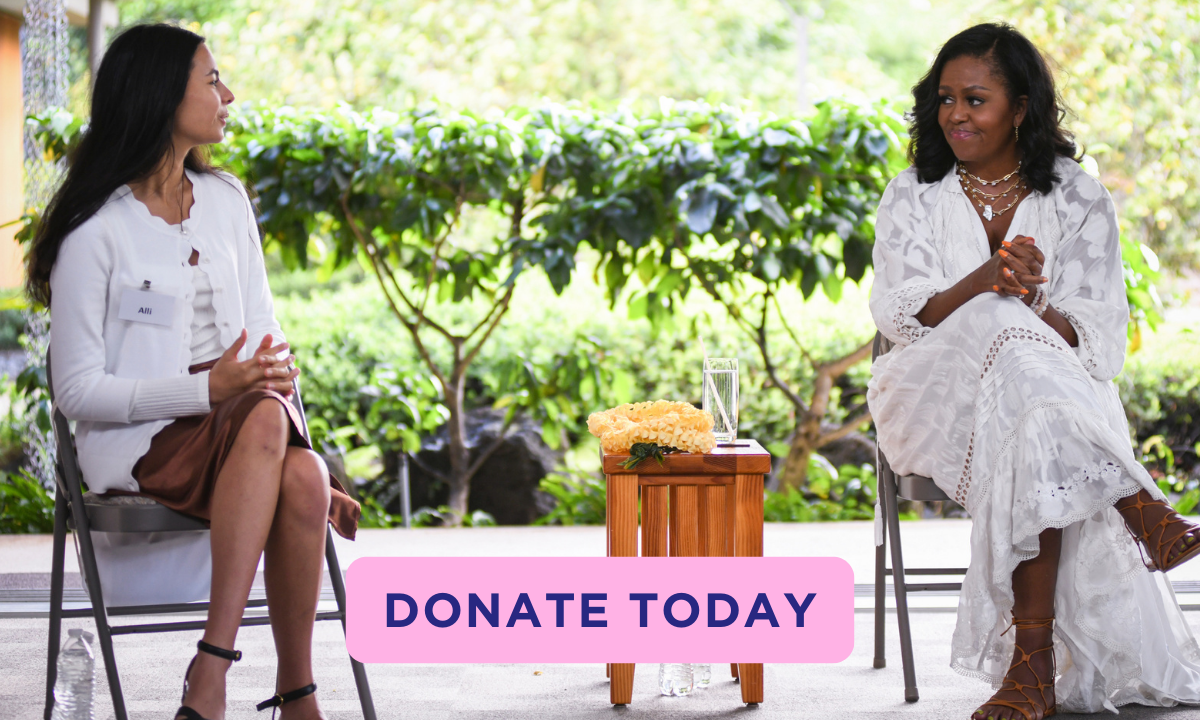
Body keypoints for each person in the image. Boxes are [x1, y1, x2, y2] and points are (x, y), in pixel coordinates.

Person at [27, 24, 360, 720]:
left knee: (300, 474)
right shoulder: (97, 233)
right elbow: (77, 391)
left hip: (246, 426)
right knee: (267, 419)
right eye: (211, 80)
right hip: (144, 440)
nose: (227, 93)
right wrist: (208, 390)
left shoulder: (228, 201)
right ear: (158, 96)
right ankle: (220, 668)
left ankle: (287, 692)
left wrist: (315, 456)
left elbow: (269, 338)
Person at [868, 22, 1200, 720]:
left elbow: (1101, 340)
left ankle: (1031, 671)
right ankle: (1140, 506)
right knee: (994, 319)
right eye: (945, 99)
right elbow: (899, 318)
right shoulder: (912, 194)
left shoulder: (1079, 197)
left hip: (1050, 400)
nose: (955, 114)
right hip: (930, 390)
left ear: (1021, 107)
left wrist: (1031, 304)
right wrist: (985, 283)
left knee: (1029, 419)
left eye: (975, 99)